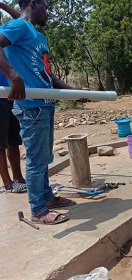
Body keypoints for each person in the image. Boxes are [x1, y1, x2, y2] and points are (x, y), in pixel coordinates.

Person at [0, 0, 82, 224]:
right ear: (34, 4)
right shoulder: (19, 26)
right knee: (36, 160)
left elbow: (49, 77)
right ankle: (38, 210)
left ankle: (47, 198)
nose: (48, 13)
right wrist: (13, 75)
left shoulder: (38, 37)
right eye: (46, 8)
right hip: (31, 107)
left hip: (45, 104)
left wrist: (75, 92)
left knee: (44, 157)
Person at [0, 3, 25, 193]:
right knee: (0, 142)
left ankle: (18, 177)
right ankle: (7, 183)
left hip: (11, 93)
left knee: (14, 139)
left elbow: (24, 20)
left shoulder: (5, 32)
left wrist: (2, 4)